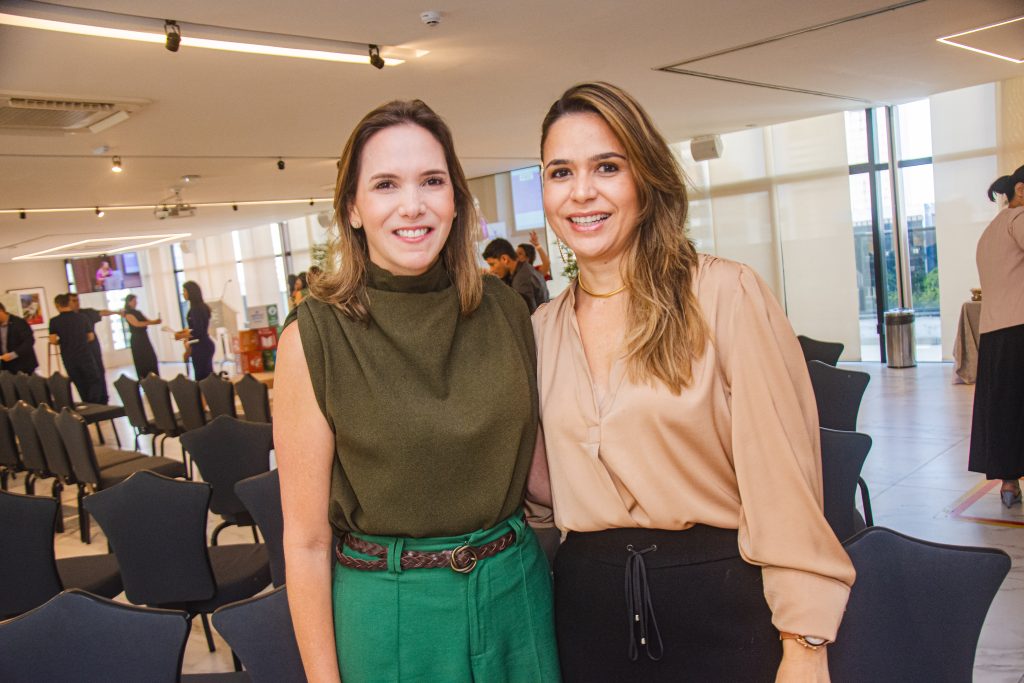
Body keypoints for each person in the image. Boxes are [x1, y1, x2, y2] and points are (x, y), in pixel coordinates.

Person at [530, 82, 854, 682]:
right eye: (560, 172)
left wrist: (805, 644)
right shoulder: (539, 330)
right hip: (586, 618)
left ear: (646, 180)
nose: (582, 192)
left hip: (722, 607)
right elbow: (545, 494)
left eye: (607, 166)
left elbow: (784, 481)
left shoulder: (723, 294)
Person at [274, 99, 559, 683]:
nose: (413, 205)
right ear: (352, 209)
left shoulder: (505, 309)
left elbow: (540, 477)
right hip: (392, 610)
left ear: (456, 199)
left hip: (516, 594)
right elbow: (304, 542)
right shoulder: (314, 337)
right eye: (385, 184)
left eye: (432, 181)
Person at [968, 165, 1024, 508]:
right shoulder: (1019, 219)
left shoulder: (992, 229)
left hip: (996, 333)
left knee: (1005, 410)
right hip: (1019, 328)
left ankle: (1008, 483)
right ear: (1021, 189)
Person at [49, 293, 105, 404]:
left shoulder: (54, 321)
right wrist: (81, 341)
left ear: (57, 305)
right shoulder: (81, 317)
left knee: (79, 381)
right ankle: (97, 402)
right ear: (68, 303)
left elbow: (53, 340)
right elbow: (91, 336)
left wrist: (64, 341)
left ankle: (87, 402)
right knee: (93, 379)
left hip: (69, 356)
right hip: (85, 354)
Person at [68, 292, 115, 403]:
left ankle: (103, 399)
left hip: (93, 349)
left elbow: (102, 312)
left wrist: (117, 312)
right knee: (85, 376)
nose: (77, 303)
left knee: (99, 371)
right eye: (73, 301)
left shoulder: (86, 313)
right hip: (79, 352)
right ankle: (90, 401)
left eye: (77, 300)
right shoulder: (68, 318)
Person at [483, 237, 550, 313]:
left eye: (492, 264)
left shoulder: (521, 279)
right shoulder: (522, 270)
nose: (491, 270)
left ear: (504, 259)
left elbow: (525, 317)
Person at [174, 281, 215, 381]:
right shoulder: (201, 307)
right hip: (204, 344)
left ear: (191, 292)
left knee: (202, 378)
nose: (183, 293)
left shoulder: (196, 309)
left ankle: (205, 396)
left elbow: (198, 330)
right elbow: (195, 327)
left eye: (184, 291)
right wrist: (184, 332)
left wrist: (181, 336)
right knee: (207, 377)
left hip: (201, 347)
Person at [122, 294, 161, 380]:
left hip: (144, 337)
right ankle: (145, 380)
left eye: (136, 301)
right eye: (134, 301)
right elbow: (137, 324)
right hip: (137, 339)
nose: (136, 303)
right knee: (142, 360)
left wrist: (156, 321)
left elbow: (147, 321)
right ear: (129, 302)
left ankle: (155, 379)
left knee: (151, 358)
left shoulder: (138, 312)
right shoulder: (127, 314)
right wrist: (152, 323)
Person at [0, 302, 38, 375]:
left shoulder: (19, 322)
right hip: (6, 366)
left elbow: (29, 341)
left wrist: (13, 354)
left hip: (23, 365)